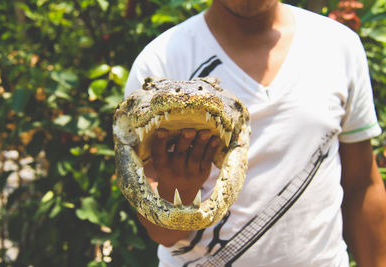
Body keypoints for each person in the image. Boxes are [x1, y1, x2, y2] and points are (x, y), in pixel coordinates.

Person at [124, 0, 386, 266]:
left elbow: (361, 185)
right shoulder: (159, 66)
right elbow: (163, 234)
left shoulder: (338, 46)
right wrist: (178, 191)